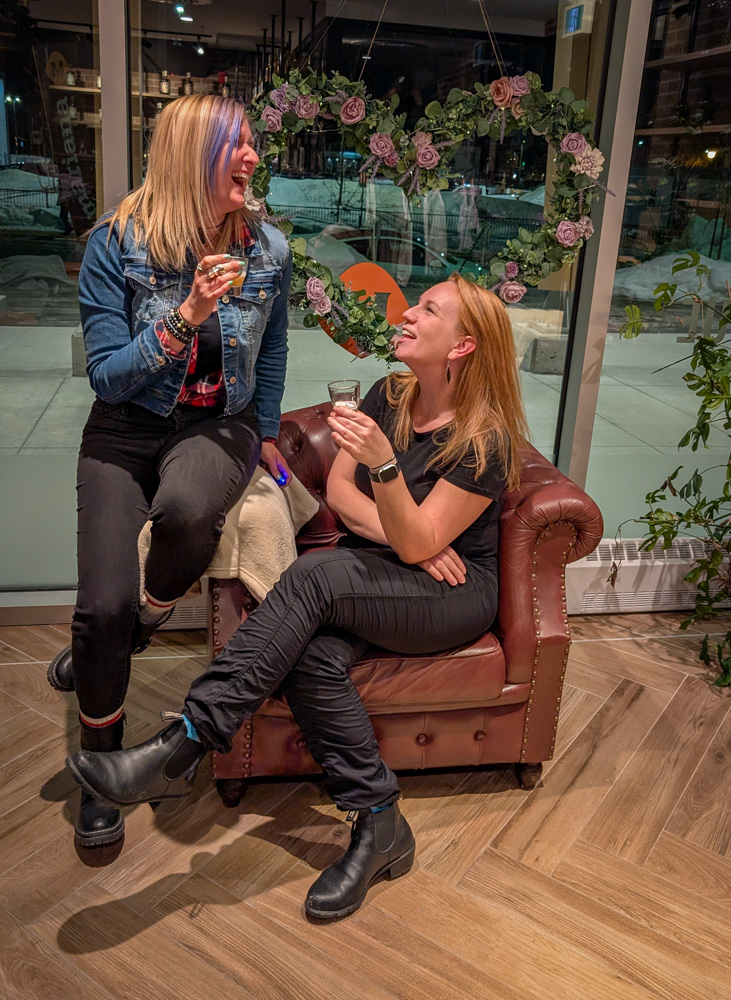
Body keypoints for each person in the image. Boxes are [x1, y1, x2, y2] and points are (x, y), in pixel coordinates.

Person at [66, 273, 528, 918]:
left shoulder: (486, 439)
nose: (409, 314)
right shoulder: (388, 392)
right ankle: (379, 821)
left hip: (452, 596)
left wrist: (388, 472)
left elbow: (423, 544)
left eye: (428, 310)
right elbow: (343, 494)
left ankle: (186, 742)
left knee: (312, 577)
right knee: (310, 654)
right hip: (388, 572)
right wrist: (404, 536)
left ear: (462, 346)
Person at [49, 94, 293, 849]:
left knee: (189, 512)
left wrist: (272, 432)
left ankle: (146, 620)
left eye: (254, 144)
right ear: (193, 155)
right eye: (238, 146)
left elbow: (274, 348)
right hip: (123, 429)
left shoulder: (268, 251)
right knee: (99, 608)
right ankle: (101, 764)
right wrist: (184, 315)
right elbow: (109, 378)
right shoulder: (116, 245)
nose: (253, 159)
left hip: (217, 424)